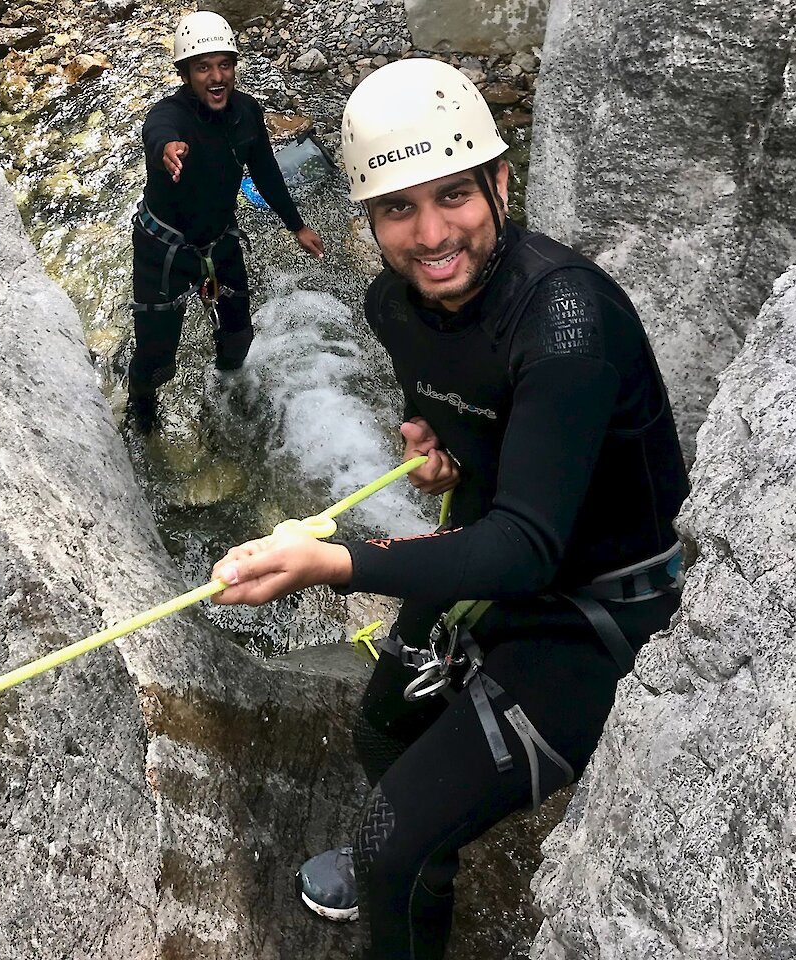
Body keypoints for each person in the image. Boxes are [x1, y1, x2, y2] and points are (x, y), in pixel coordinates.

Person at [210, 57, 690, 960]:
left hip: (593, 613)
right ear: (369, 219)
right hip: (495, 552)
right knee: (381, 725)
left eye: (455, 197)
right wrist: (444, 453)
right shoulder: (395, 306)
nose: (433, 234)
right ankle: (420, 866)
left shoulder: (566, 323)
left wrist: (338, 562)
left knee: (387, 840)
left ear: (502, 183)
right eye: (398, 208)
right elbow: (463, 419)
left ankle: (402, 863)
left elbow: (527, 547)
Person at [127, 11, 324, 432]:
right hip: (164, 248)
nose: (217, 77)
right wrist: (167, 150)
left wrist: (296, 225)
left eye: (225, 64)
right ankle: (141, 409)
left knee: (239, 337)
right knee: (158, 357)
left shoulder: (246, 112)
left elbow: (266, 170)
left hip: (218, 241)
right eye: (203, 67)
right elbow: (157, 131)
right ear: (185, 73)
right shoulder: (170, 116)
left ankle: (228, 393)